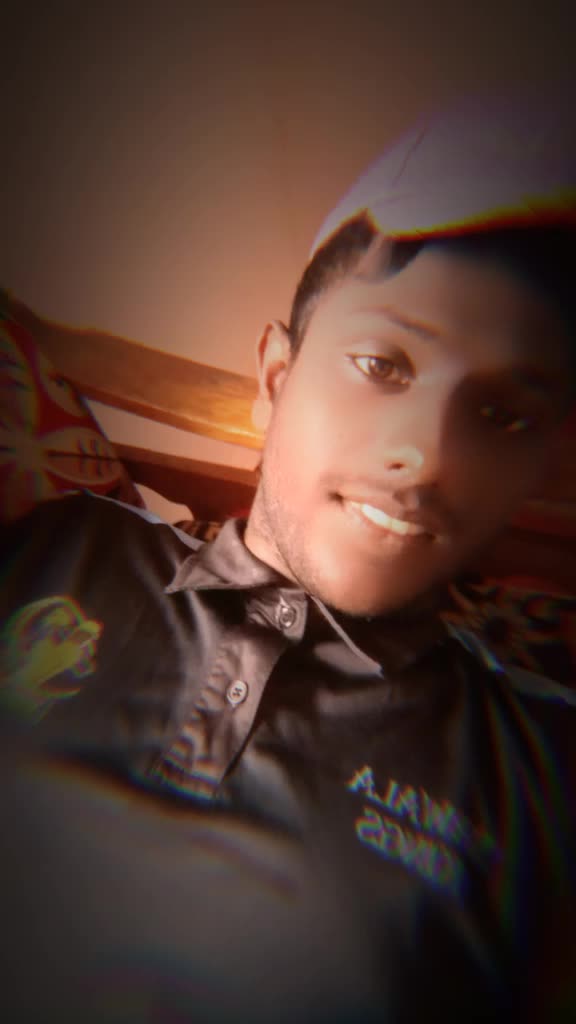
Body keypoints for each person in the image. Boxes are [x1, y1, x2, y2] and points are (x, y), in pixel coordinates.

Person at [1, 89, 576, 1021]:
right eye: (384, 365)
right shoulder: (53, 546)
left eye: (503, 415)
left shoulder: (543, 774)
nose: (428, 456)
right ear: (275, 379)